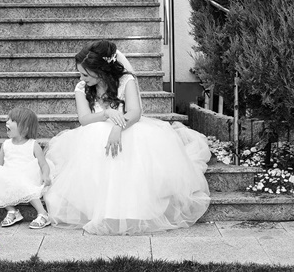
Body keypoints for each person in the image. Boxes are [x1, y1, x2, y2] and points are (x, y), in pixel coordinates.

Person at [43, 40, 211, 235]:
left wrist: (117, 127)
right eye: (80, 73)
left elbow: (135, 112)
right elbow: (84, 119)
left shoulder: (125, 81)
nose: (82, 78)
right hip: (94, 132)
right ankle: (103, 208)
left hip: (127, 127)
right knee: (96, 134)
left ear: (102, 70)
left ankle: (131, 208)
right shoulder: (82, 88)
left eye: (86, 74)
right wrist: (105, 114)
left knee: (132, 140)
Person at [0, 107, 52, 229]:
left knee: (24, 184)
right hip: (10, 174)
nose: (7, 122)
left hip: (27, 175)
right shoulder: (6, 145)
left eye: (11, 120)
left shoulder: (33, 145)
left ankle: (43, 214)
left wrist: (45, 175)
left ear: (24, 128)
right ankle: (12, 211)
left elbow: (43, 164)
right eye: (7, 119)